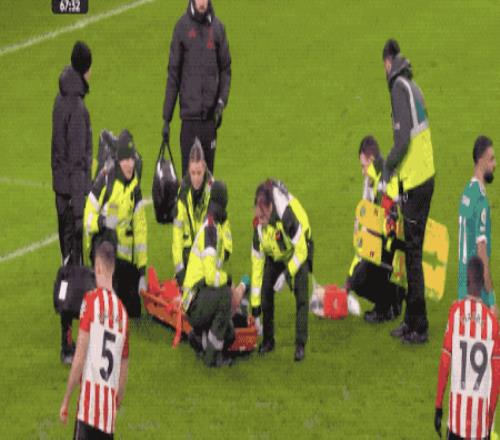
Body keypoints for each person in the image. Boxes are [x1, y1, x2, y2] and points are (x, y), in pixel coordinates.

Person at [381, 39, 436, 344]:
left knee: (412, 253)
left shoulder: (398, 88)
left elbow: (402, 143)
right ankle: (410, 318)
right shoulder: (413, 85)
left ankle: (420, 325)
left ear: (387, 62)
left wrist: (387, 168)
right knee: (409, 248)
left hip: (417, 182)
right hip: (421, 178)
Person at [59, 241, 129, 439]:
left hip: (88, 412)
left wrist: (66, 398)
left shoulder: (91, 302)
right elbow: (124, 368)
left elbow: (79, 356)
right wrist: (116, 400)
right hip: (108, 418)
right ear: (112, 268)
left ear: (97, 267)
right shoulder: (123, 314)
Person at [51, 41, 93, 364]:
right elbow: (78, 163)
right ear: (87, 68)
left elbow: (58, 153)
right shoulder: (77, 108)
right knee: (72, 270)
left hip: (61, 195)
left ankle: (73, 336)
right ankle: (69, 342)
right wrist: (79, 211)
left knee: (69, 265)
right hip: (71, 201)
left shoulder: (60, 99)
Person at [162, 0, 231, 176]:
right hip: (189, 122)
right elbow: (173, 75)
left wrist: (221, 103)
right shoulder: (181, 28)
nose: (202, 2)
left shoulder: (218, 29)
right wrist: (167, 119)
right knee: (188, 180)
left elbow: (225, 70)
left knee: (208, 180)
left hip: (209, 121)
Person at [83, 130, 148, 318]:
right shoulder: (105, 180)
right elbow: (88, 218)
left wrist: (142, 271)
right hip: (104, 253)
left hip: (123, 259)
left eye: (131, 159)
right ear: (118, 160)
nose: (129, 164)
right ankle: (99, 283)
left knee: (134, 311)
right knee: (112, 311)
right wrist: (101, 222)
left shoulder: (135, 187)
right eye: (125, 159)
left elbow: (140, 229)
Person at [434, 256, 500, 439]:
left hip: (457, 422)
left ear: (467, 280)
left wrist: (438, 405)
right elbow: (496, 377)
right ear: (482, 283)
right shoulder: (493, 323)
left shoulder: (455, 313)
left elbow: (444, 363)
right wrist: (489, 420)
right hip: (480, 426)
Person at [251, 179, 313, 362]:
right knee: (265, 292)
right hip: (277, 253)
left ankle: (300, 345)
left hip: (298, 249)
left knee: (301, 296)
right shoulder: (258, 227)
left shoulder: (287, 215)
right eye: (258, 217)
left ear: (270, 208)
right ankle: (268, 341)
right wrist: (255, 309)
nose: (260, 222)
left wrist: (287, 274)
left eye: (263, 217)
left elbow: (302, 250)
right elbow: (257, 268)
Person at [346, 135, 405, 323]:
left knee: (359, 279)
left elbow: (387, 223)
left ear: (371, 160)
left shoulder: (384, 181)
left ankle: (388, 304)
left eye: (363, 166)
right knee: (357, 276)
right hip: (383, 244)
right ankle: (390, 300)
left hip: (391, 247)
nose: (362, 171)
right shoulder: (373, 181)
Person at [180, 181, 234, 367]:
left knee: (230, 334)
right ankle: (212, 357)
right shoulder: (211, 230)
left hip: (196, 297)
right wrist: (228, 280)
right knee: (225, 295)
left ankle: (198, 339)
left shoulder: (213, 225)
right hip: (195, 299)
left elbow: (226, 252)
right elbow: (212, 277)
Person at [172, 139, 232, 287]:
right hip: (188, 252)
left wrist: (226, 248)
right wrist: (179, 269)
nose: (196, 178)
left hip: (208, 247)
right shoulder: (183, 192)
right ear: (188, 170)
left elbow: (224, 220)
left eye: (199, 173)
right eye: (193, 173)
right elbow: (177, 232)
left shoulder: (213, 189)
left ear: (204, 168)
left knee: (207, 283)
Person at [458, 136, 496, 311]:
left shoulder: (467, 192)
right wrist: (492, 299)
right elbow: (482, 252)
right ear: (481, 161)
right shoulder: (480, 200)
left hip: (463, 289)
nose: (495, 165)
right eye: (491, 159)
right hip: (477, 292)